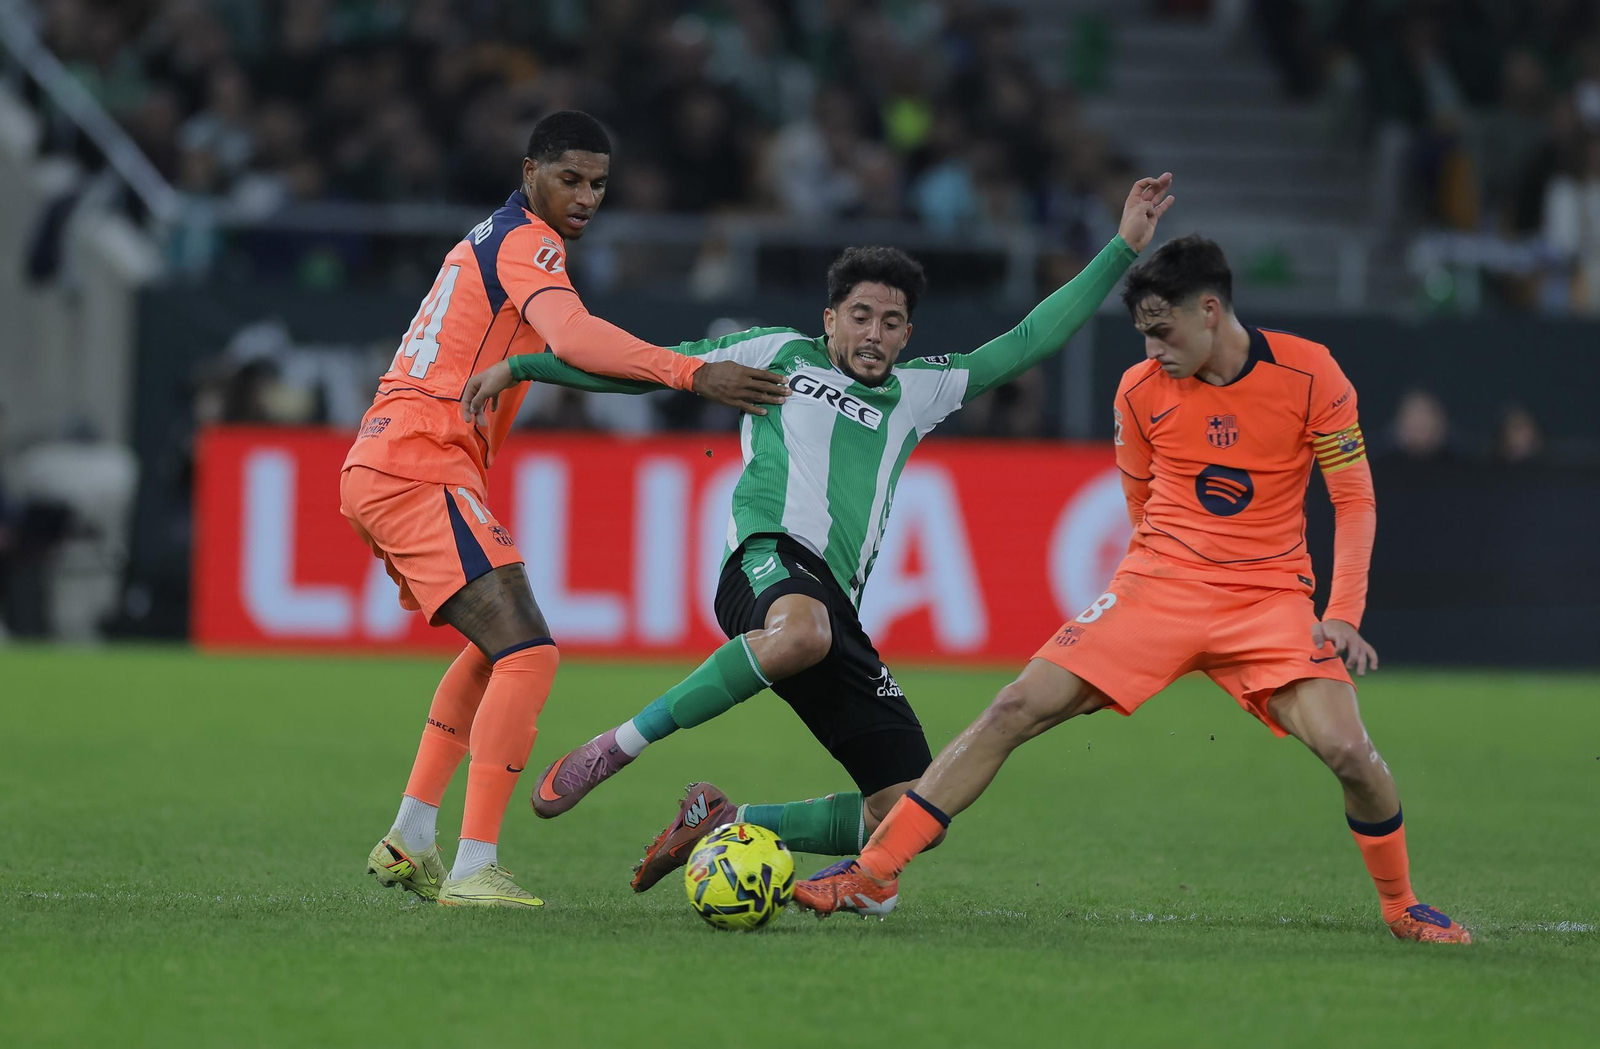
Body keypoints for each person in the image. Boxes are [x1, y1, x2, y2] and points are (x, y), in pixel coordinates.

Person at [461, 175, 1176, 893]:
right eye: (860, 316)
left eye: (891, 322)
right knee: (803, 632)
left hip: (835, 607)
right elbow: (646, 367)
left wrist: (1121, 247)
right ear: (828, 319)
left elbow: (1029, 339)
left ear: (908, 335)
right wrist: (524, 366)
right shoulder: (776, 352)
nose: (874, 333)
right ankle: (614, 747)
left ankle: (726, 819)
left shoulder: (920, 391)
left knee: (912, 807)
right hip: (765, 565)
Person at [794, 235, 1472, 946]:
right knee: (1015, 704)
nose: (1151, 349)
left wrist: (1341, 614)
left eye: (1162, 330)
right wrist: (1157, 581)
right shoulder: (1140, 390)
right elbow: (1141, 500)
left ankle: (1401, 905)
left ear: (1209, 310)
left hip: (1268, 602)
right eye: (1142, 333)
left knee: (1350, 753)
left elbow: (1354, 498)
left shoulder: (1311, 374)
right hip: (1160, 589)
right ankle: (872, 872)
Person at [344, 110, 790, 909]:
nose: (585, 197)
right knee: (531, 652)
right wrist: (693, 374)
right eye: (570, 179)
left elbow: (554, 354)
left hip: (392, 458)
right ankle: (476, 867)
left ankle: (409, 838)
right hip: (419, 460)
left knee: (493, 650)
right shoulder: (529, 242)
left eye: (598, 185)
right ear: (529, 175)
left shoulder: (487, 242)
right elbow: (576, 338)